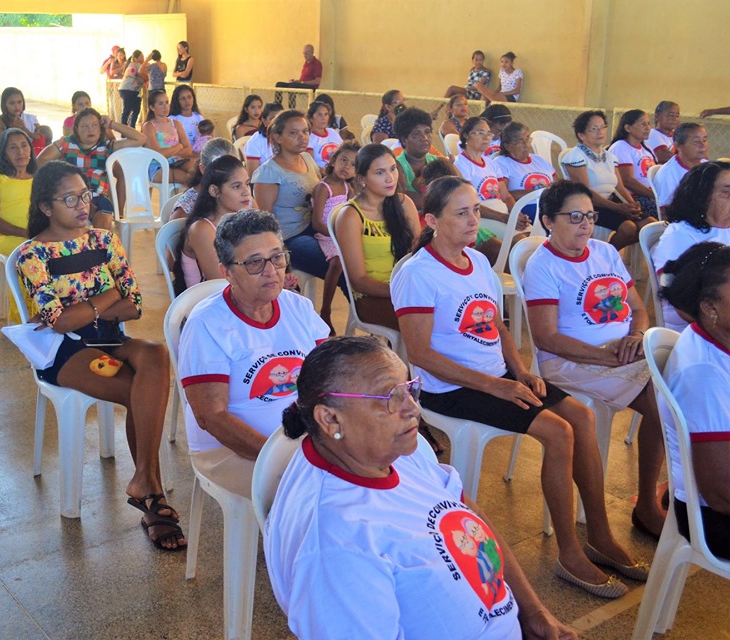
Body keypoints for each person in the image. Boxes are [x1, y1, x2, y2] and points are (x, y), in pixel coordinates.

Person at [393, 176, 646, 598]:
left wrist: (520, 369)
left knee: (581, 417)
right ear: (432, 219)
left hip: (498, 376)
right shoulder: (418, 273)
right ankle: (569, 552)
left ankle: (599, 533)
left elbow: (496, 325)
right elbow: (420, 354)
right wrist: (495, 386)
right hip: (450, 386)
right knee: (558, 431)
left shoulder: (476, 262)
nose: (474, 219)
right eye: (462, 212)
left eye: (476, 209)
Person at [266, 336, 579, 639]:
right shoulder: (335, 547)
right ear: (331, 419)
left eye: (409, 389)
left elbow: (468, 514)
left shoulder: (397, 451)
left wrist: (532, 611)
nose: (413, 409)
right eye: (389, 397)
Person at [16, 161, 182, 551]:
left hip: (108, 340)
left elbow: (135, 306)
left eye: (85, 195)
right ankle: (152, 497)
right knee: (137, 389)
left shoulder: (105, 241)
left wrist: (88, 307)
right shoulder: (32, 255)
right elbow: (59, 323)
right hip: (68, 352)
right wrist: (107, 297)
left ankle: (144, 480)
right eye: (69, 198)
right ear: (45, 207)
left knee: (156, 355)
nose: (82, 205)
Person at [524, 180, 667, 538]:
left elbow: (637, 308)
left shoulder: (605, 253)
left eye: (589, 216)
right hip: (571, 362)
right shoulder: (543, 265)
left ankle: (658, 499)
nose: (585, 224)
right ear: (547, 221)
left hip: (622, 354)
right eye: (574, 216)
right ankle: (648, 505)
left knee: (680, 386)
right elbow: (547, 338)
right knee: (664, 402)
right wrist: (605, 357)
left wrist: (635, 336)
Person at [178, 209, 330, 499]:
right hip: (229, 452)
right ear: (226, 271)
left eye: (277, 257)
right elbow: (212, 417)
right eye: (254, 263)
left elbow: (333, 374)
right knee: (318, 493)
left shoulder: (297, 307)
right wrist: (280, 457)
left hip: (304, 439)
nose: (271, 270)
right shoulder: (206, 324)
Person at [658, 242, 730, 560]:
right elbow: (720, 492)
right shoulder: (704, 372)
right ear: (709, 306)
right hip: (714, 520)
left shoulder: (717, 341)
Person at [336, 144, 420, 331]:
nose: (390, 178)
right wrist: (401, 291)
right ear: (362, 178)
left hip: (406, 287)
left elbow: (419, 253)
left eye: (392, 169)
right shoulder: (351, 216)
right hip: (372, 296)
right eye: (380, 173)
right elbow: (358, 280)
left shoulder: (404, 203)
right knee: (422, 323)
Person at [252, 110, 338, 286]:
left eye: (305, 131)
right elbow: (264, 219)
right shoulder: (269, 172)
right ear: (277, 137)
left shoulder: (307, 158)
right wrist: (278, 251)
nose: (302, 137)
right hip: (291, 237)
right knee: (337, 265)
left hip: (315, 227)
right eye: (293, 133)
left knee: (352, 254)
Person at [651, 161, 730, 331]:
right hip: (698, 329)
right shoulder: (679, 236)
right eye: (726, 193)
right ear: (702, 196)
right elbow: (680, 302)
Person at [36, 107, 146, 222]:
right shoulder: (66, 143)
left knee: (104, 220)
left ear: (100, 128)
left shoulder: (107, 146)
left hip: (97, 196)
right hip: (71, 196)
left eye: (94, 125)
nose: (90, 129)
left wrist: (111, 124)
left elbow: (141, 139)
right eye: (84, 126)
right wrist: (60, 174)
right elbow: (40, 161)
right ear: (77, 129)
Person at [561, 110, 646, 249]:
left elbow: (619, 187)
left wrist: (632, 205)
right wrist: (618, 208)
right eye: (594, 129)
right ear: (581, 135)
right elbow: (585, 193)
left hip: (610, 203)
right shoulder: (575, 157)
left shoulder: (609, 157)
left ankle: (605, 250)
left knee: (649, 226)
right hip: (588, 207)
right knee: (628, 228)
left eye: (602, 127)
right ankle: (604, 256)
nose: (600, 132)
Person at [172, 155, 252, 293]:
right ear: (214, 191)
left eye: (247, 184)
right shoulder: (201, 229)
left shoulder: (239, 218)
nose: (246, 192)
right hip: (207, 302)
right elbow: (220, 282)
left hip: (239, 293)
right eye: (237, 186)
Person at [0, 128, 36, 323]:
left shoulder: (39, 177)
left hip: (39, 236)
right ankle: (25, 319)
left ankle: (58, 315)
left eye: (24, 146)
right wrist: (26, 233)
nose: (20, 152)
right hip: (12, 239)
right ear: (3, 153)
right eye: (12, 148)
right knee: (31, 257)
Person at [311, 141, 359, 330]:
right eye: (343, 160)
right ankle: (325, 310)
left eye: (353, 164)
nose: (347, 167)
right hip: (326, 234)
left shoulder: (348, 188)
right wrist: (337, 235)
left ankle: (361, 307)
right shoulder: (323, 188)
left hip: (340, 233)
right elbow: (316, 223)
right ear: (332, 161)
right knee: (337, 261)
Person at [454, 117, 519, 219]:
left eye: (489, 134)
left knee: (531, 233)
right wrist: (503, 218)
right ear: (466, 135)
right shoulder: (460, 164)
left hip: (502, 214)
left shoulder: (491, 163)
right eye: (480, 133)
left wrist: (517, 215)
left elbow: (506, 196)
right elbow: (469, 202)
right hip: (481, 218)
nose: (486, 138)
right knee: (519, 236)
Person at [494, 121, 555, 216]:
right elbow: (504, 195)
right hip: (527, 208)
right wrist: (538, 193)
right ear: (507, 146)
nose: (526, 144)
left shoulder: (539, 160)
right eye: (520, 141)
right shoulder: (501, 162)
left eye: (527, 139)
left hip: (551, 205)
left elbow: (557, 184)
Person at [170, 138, 239, 221]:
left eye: (233, 168)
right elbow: (173, 231)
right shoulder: (186, 208)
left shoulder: (241, 194)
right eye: (221, 169)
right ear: (203, 169)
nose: (228, 175)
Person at [393, 107, 448, 209]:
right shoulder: (396, 166)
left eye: (427, 132)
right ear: (404, 140)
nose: (425, 138)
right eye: (416, 134)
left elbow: (461, 187)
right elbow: (404, 197)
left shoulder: (441, 161)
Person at [608, 109, 659, 217]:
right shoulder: (620, 147)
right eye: (643, 124)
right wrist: (654, 195)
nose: (648, 127)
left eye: (649, 123)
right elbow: (627, 181)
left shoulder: (647, 149)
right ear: (628, 128)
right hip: (635, 197)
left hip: (651, 194)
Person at [143, 90, 197, 185]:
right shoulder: (149, 126)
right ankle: (186, 199)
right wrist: (178, 146)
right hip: (158, 166)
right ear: (152, 107)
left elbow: (188, 149)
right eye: (161, 104)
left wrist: (170, 152)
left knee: (198, 172)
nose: (165, 106)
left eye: (167, 102)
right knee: (187, 179)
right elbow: (158, 154)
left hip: (177, 161)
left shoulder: (175, 123)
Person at [654, 122, 709, 212]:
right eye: (696, 141)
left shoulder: (707, 166)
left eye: (705, 140)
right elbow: (666, 213)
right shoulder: (667, 174)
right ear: (678, 146)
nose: (703, 145)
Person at [244, 102, 282, 177]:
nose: (277, 123)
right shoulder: (255, 142)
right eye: (272, 119)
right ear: (264, 121)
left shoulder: (287, 138)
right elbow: (252, 176)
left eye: (280, 119)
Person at [306, 100, 343, 170]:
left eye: (326, 114)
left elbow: (344, 152)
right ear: (311, 118)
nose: (324, 118)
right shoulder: (309, 137)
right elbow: (311, 165)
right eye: (320, 115)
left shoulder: (333, 132)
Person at [117, 50, 146, 129]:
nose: (143, 59)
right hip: (128, 90)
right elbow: (143, 74)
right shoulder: (136, 65)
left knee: (136, 109)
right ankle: (124, 129)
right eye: (141, 57)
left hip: (133, 90)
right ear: (136, 58)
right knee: (127, 110)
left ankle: (132, 127)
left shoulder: (133, 64)